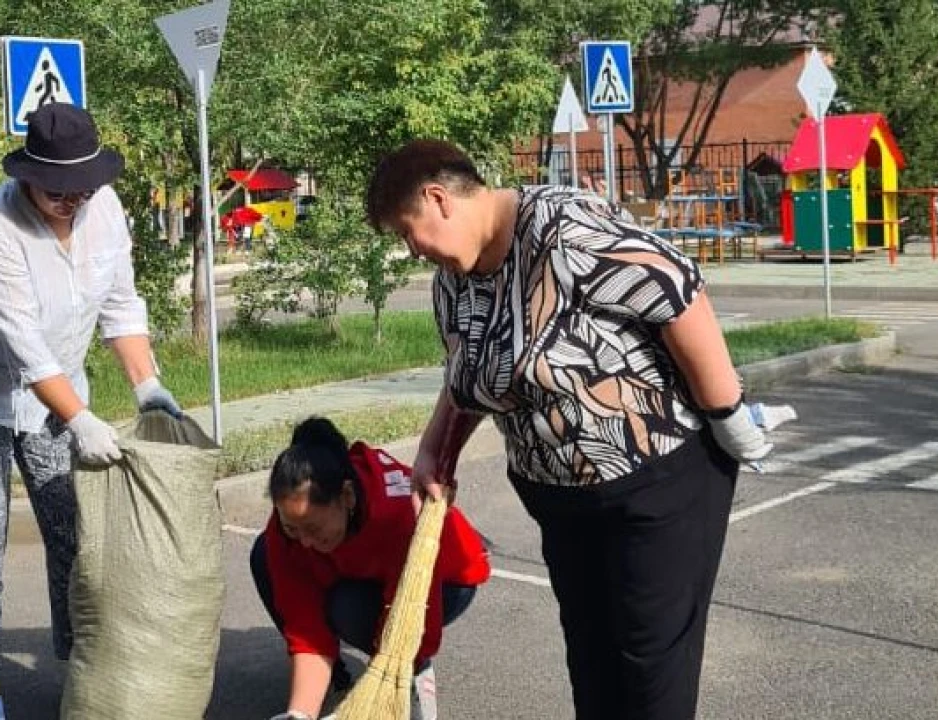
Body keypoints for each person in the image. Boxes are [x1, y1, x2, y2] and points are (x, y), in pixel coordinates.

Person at [365, 139, 774, 720]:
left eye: (409, 232)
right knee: (593, 662)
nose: (412, 250)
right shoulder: (453, 282)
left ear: (439, 199)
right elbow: (470, 373)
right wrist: (437, 448)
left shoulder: (563, 229)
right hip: (558, 498)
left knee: (650, 669)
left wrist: (728, 414)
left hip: (654, 482)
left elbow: (679, 291)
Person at [0, 102, 182, 720]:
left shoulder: (105, 209)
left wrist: (148, 387)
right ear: (27, 175)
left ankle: (80, 670)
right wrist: (81, 420)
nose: (73, 200)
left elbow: (120, 305)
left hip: (55, 389)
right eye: (59, 189)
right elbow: (23, 343)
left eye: (82, 188)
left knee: (75, 530)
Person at [251, 417, 491, 720]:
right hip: (360, 570)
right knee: (264, 553)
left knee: (348, 606)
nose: (305, 542)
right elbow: (305, 626)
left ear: (347, 497)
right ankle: (333, 679)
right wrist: (299, 714)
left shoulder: (397, 516)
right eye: (292, 528)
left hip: (448, 579)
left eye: (313, 527)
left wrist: (396, 667)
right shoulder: (287, 530)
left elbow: (411, 615)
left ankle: (413, 673)